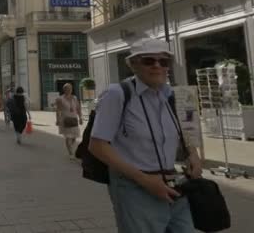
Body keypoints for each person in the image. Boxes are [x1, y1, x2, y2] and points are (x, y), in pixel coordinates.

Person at [89, 38, 203, 233]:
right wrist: (145, 181)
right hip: (135, 189)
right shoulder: (117, 94)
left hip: (174, 183)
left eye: (163, 61)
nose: (157, 66)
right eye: (149, 61)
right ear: (134, 65)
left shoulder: (173, 95)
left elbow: (184, 131)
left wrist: (193, 154)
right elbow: (97, 146)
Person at [55, 83, 83, 159]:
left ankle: (70, 147)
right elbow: (58, 110)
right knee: (68, 137)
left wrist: (80, 117)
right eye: (67, 89)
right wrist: (57, 119)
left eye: (70, 89)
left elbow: (78, 108)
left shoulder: (75, 98)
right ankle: (71, 153)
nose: (69, 90)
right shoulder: (60, 99)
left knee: (74, 137)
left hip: (74, 119)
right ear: (64, 90)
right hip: (65, 120)